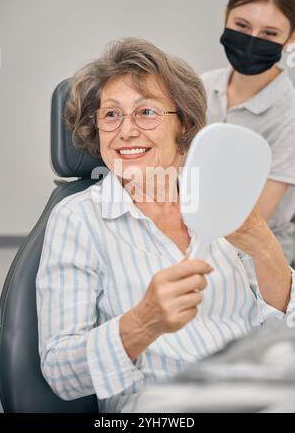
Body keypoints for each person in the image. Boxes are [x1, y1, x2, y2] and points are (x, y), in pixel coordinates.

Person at [36, 38, 295, 413]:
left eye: (146, 112)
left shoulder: (220, 204)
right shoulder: (78, 218)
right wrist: (142, 323)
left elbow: (277, 336)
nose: (125, 131)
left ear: (184, 125)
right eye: (110, 115)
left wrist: (265, 248)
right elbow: (60, 373)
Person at [201, 0, 295, 264]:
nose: (252, 41)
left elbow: (250, 222)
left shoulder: (290, 113)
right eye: (241, 25)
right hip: (191, 235)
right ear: (226, 17)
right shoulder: (201, 87)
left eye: (269, 33)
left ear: (291, 38)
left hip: (255, 259)